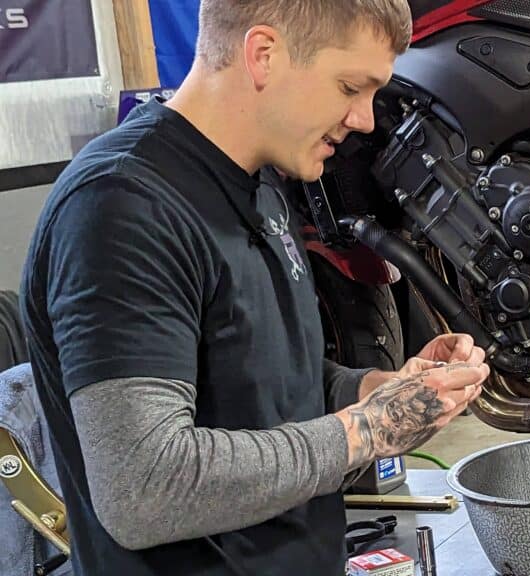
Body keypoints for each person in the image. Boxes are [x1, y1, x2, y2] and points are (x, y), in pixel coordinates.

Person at [19, 1, 489, 574]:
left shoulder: (264, 183)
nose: (365, 118)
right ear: (263, 55)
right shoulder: (121, 207)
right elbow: (143, 489)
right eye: (350, 87)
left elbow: (269, 381)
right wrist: (367, 430)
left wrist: (376, 390)